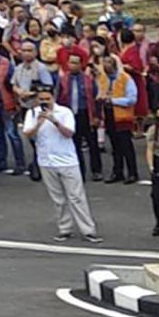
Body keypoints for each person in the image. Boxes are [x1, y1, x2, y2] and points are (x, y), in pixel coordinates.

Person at [19, 84, 97, 241]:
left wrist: (54, 121)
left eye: (47, 99)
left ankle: (88, 230)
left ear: (53, 98)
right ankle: (64, 228)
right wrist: (39, 122)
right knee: (58, 198)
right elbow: (28, 134)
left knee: (76, 197)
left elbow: (69, 133)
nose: (44, 102)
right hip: (46, 161)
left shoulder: (65, 112)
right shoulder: (32, 113)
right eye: (41, 99)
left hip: (67, 160)